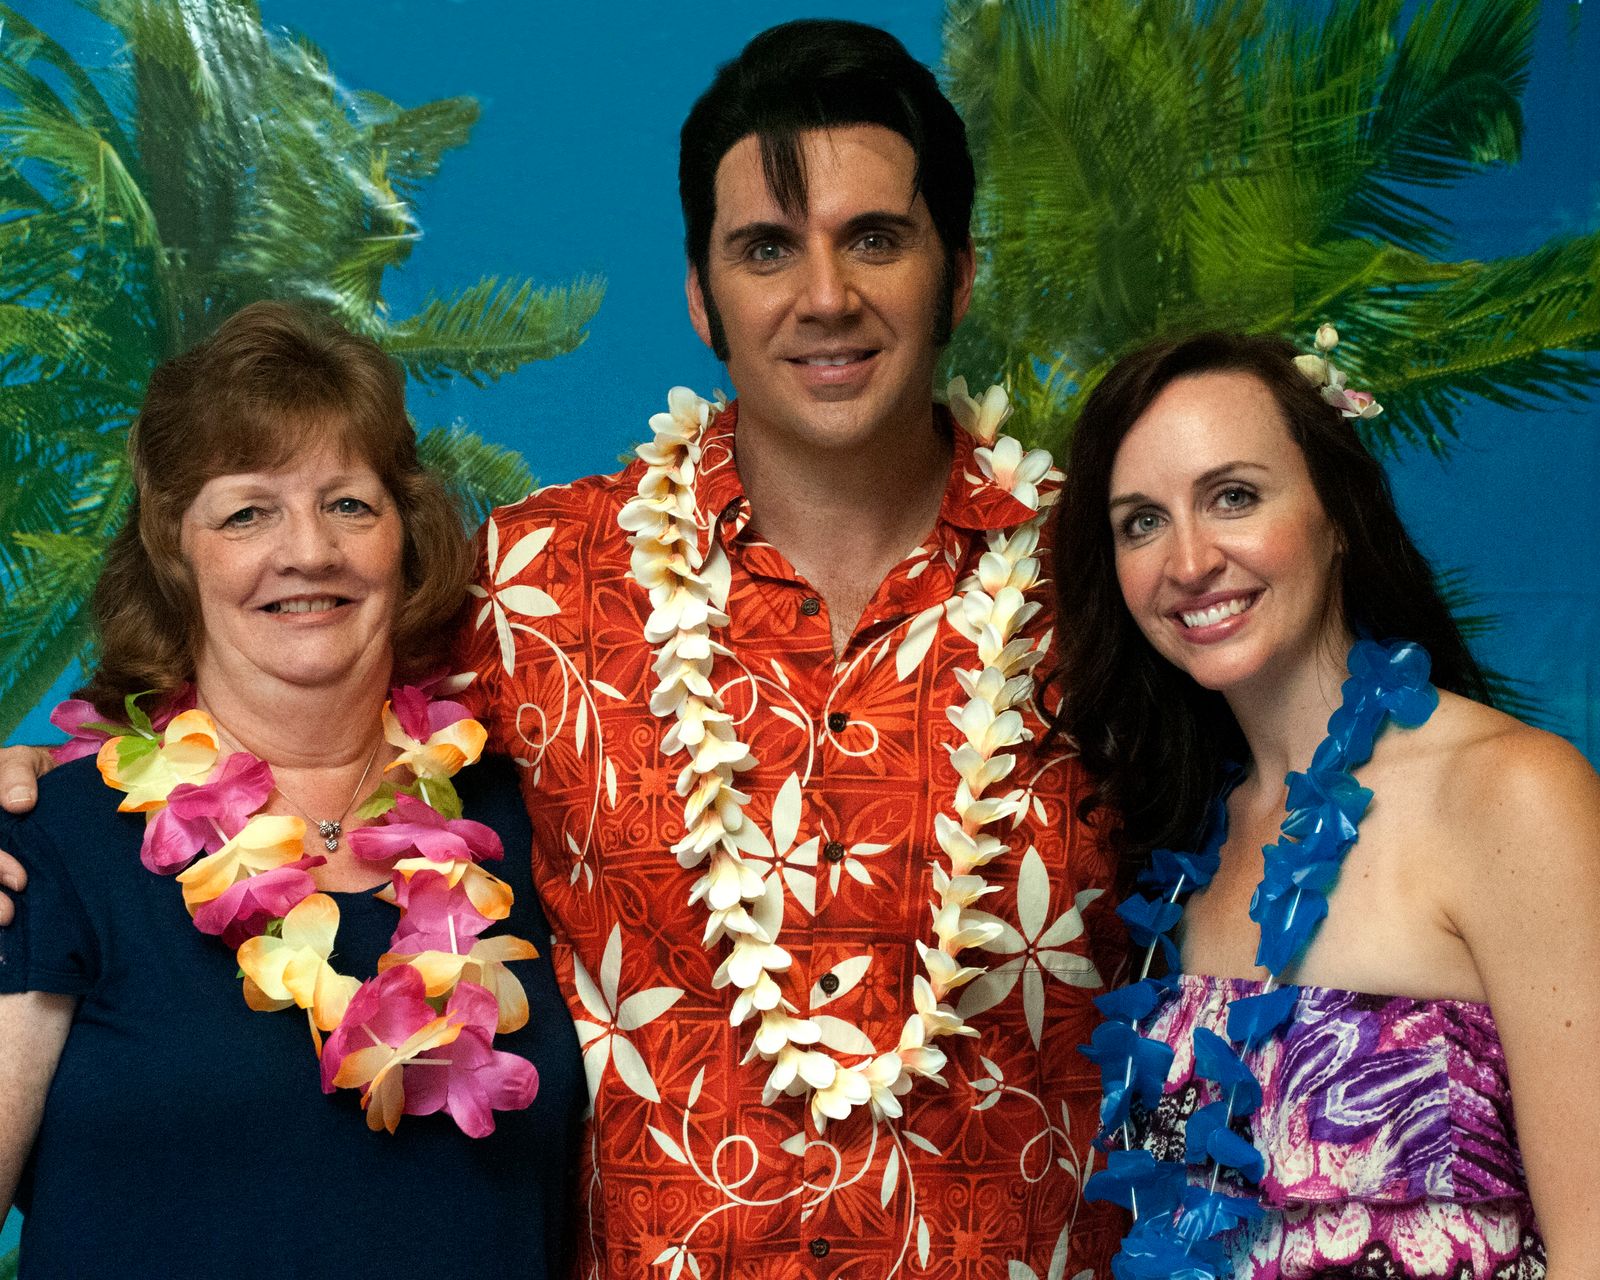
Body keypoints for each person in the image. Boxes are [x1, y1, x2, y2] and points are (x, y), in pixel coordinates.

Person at [0, 21, 1123, 1276]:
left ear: (958, 273)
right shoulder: (536, 582)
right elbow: (288, 679)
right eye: (766, 247)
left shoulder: (1106, 592)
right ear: (701, 295)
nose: (824, 296)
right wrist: (37, 796)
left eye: (875, 237)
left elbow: (1246, 904)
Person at [0, 302, 585, 1276]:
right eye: (247, 512)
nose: (309, 550)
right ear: (175, 553)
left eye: (349, 504)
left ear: (405, 537)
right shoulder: (51, 846)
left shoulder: (530, 820)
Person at [1048, 330, 1600, 1277]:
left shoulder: (1512, 795)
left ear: (1338, 514)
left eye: (1233, 496)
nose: (1189, 560)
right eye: (1141, 521)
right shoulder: (1180, 848)